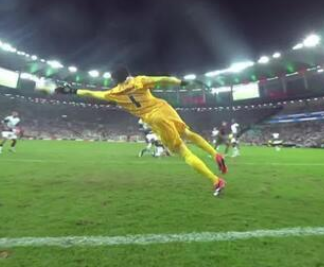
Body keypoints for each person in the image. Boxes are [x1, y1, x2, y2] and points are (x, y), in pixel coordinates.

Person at [55, 66, 227, 196]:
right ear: (127, 74)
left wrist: (72, 90)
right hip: (164, 107)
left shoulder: (113, 93)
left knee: (183, 152)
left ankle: (216, 181)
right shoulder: (139, 80)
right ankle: (215, 154)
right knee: (188, 133)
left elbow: (90, 93)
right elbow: (162, 79)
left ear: (115, 80)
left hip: (153, 118)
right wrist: (182, 82)